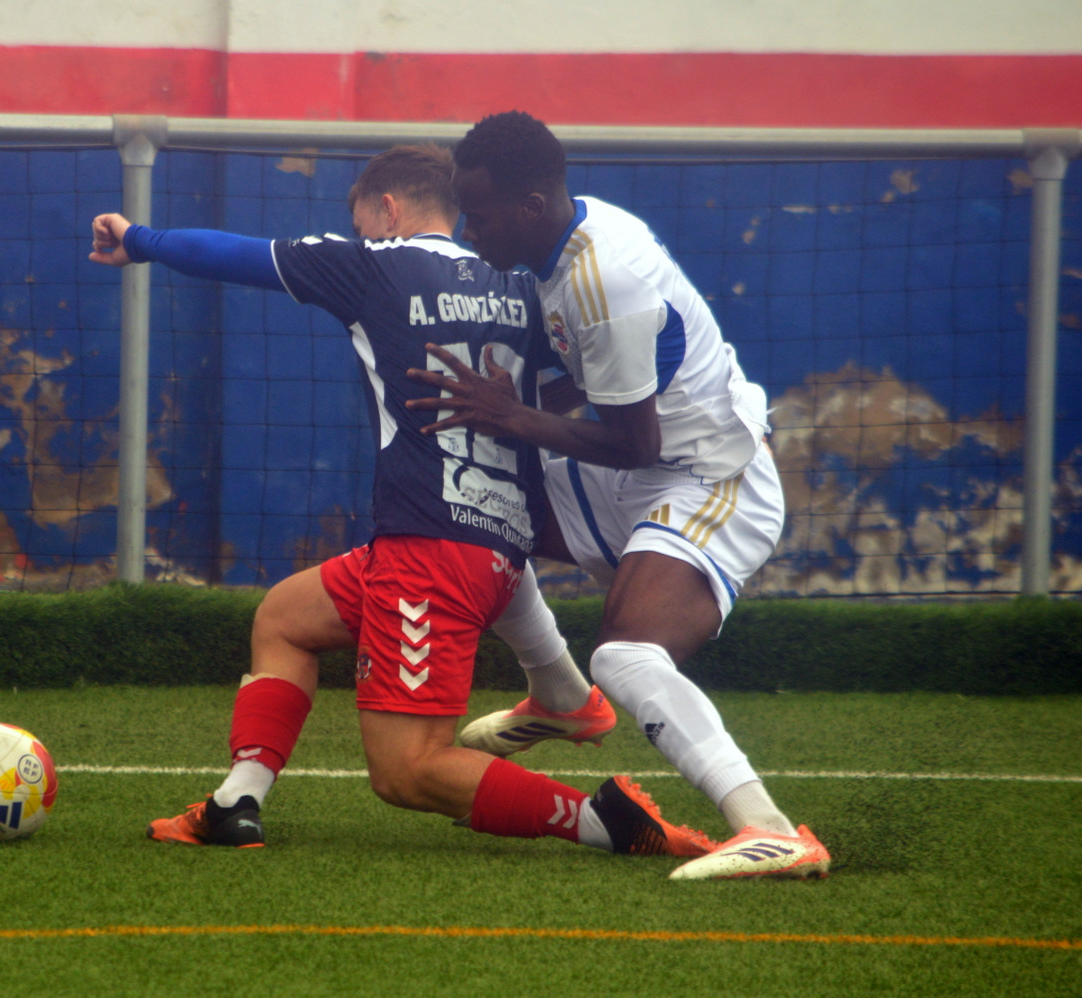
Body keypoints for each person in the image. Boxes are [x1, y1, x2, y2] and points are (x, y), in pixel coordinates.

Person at [88, 143, 714, 861]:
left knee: (408, 770)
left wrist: (137, 240)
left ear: (387, 209)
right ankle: (237, 802)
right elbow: (585, 378)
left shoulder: (372, 264)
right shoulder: (518, 285)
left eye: (360, 222)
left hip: (431, 550)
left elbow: (236, 254)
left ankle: (609, 820)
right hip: (498, 545)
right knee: (285, 620)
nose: (357, 236)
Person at [406, 112, 830, 880]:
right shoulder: (564, 241)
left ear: (531, 206)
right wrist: (518, 403)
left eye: (482, 214)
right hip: (645, 470)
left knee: (628, 656)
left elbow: (638, 444)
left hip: (710, 476)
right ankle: (557, 696)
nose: (470, 232)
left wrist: (513, 413)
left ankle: (771, 830)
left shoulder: (607, 278)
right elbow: (591, 383)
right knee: (477, 512)